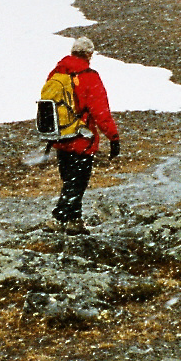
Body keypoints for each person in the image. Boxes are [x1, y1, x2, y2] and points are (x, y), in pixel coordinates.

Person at [47, 36, 120, 232]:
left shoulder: (56, 73)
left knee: (69, 180)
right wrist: (113, 137)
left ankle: (74, 222)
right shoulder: (88, 75)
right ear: (89, 54)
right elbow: (100, 111)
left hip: (60, 137)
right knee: (77, 183)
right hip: (81, 138)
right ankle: (59, 218)